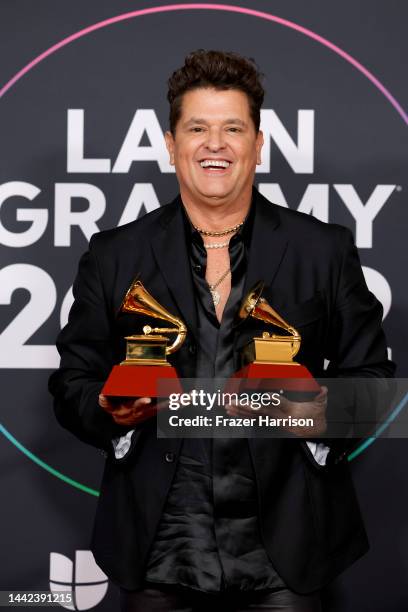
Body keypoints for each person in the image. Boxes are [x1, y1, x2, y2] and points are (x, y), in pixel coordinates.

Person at [49, 50, 395, 611]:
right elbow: (72, 385)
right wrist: (111, 411)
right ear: (170, 145)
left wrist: (317, 410)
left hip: (289, 553)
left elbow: (375, 383)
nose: (216, 144)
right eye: (198, 128)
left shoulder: (323, 249)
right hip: (158, 550)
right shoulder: (114, 255)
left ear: (258, 145)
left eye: (233, 128)